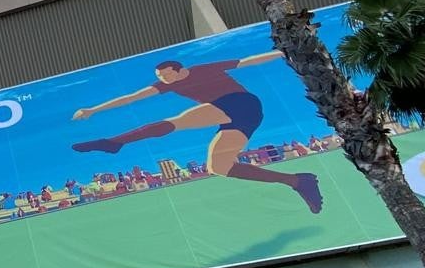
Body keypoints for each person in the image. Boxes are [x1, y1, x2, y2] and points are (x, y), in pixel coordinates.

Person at [71, 51, 323, 213]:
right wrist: (93, 109)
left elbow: (245, 61)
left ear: (179, 69)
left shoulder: (204, 70)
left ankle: (116, 142)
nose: (165, 81)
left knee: (179, 121)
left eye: (167, 76)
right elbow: (132, 97)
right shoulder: (167, 83)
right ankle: (298, 181)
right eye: (161, 78)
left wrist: (284, 52)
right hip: (237, 117)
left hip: (241, 103)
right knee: (219, 167)